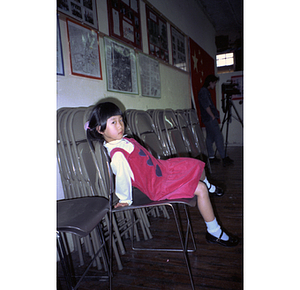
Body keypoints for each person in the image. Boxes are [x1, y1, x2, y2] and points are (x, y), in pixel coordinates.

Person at [86, 102, 239, 247]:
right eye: (113, 122)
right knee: (200, 189)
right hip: (158, 186)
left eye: (120, 120)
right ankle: (215, 232)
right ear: (100, 129)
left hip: (161, 170)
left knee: (193, 163)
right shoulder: (117, 154)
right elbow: (122, 177)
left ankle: (210, 186)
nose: (120, 125)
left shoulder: (122, 140)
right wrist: (125, 199)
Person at [198, 74, 234, 166]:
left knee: (210, 137)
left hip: (207, 118)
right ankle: (224, 157)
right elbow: (206, 105)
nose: (214, 85)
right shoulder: (204, 91)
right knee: (218, 137)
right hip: (210, 118)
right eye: (214, 83)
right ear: (210, 82)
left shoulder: (204, 91)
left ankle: (211, 157)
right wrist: (212, 116)